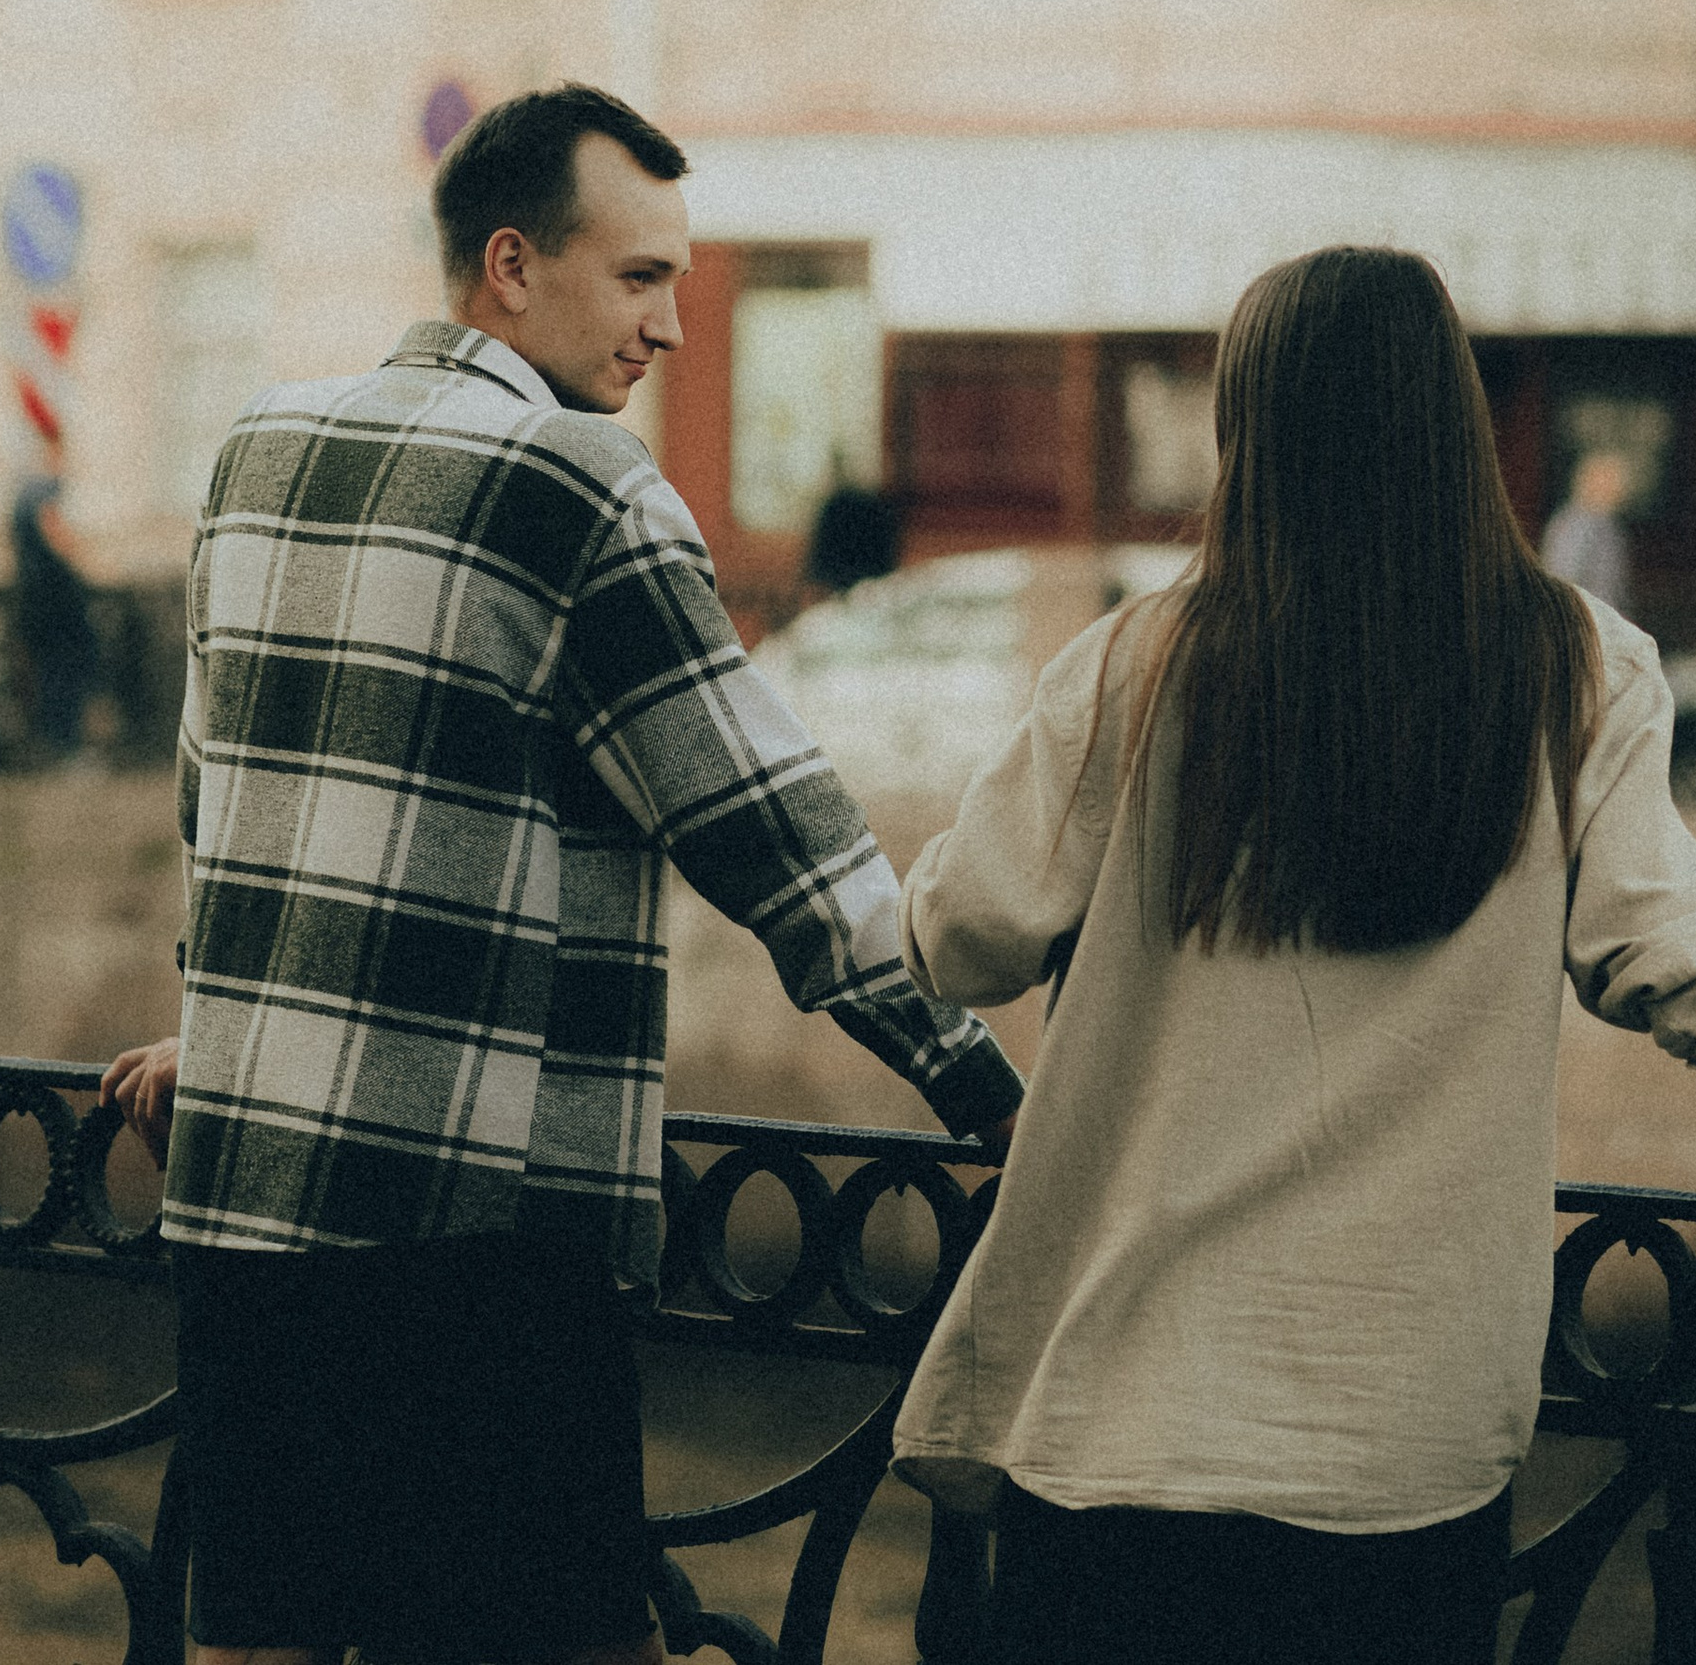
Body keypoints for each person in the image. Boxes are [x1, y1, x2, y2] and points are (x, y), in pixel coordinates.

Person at [890, 248, 1696, 1665]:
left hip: (1125, 1425)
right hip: (1405, 1452)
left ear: (1246, 429)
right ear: (1451, 419)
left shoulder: (1132, 665)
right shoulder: (1575, 666)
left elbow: (957, 938)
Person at [102, 82, 1018, 1665]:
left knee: (262, 1644)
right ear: (512, 265)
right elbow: (786, 847)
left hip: (252, 1222)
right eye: (640, 274)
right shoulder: (581, 483)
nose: (670, 323)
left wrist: (235, 1035)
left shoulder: (259, 446)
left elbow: (223, 798)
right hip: (476, 1252)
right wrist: (994, 1095)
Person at [8, 382, 99, 761]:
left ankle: (49, 743)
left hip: (32, 596)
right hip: (55, 598)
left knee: (46, 670)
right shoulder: (44, 490)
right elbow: (58, 537)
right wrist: (92, 565)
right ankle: (65, 746)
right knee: (65, 669)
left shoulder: (20, 492)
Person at [1540, 441, 1635, 617]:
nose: (1622, 490)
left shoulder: (1607, 525)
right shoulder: (1576, 525)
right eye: (1613, 481)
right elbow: (1564, 582)